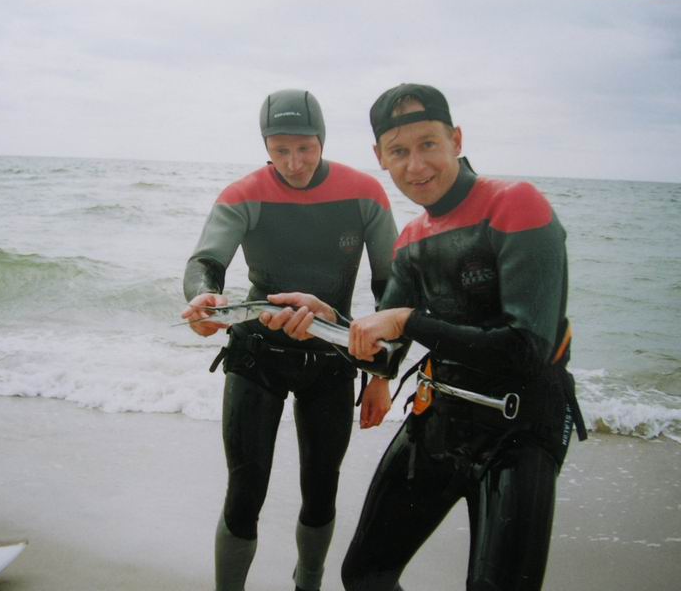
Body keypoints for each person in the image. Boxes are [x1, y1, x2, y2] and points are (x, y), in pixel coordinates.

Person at [262, 83, 586, 590]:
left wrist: (409, 321)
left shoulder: (516, 204)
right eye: (399, 151)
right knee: (365, 576)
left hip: (520, 427)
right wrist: (327, 322)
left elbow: (527, 351)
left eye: (428, 144)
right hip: (439, 416)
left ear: (456, 139)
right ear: (380, 157)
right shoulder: (413, 239)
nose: (415, 165)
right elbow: (384, 350)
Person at [181, 88, 399, 591]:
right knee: (245, 491)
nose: (294, 163)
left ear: (323, 140)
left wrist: (380, 375)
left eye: (305, 148)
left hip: (332, 357)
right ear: (265, 145)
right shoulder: (244, 194)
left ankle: (309, 583)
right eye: (280, 150)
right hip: (257, 356)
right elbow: (205, 263)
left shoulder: (364, 193)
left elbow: (391, 290)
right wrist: (203, 299)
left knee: (321, 491)